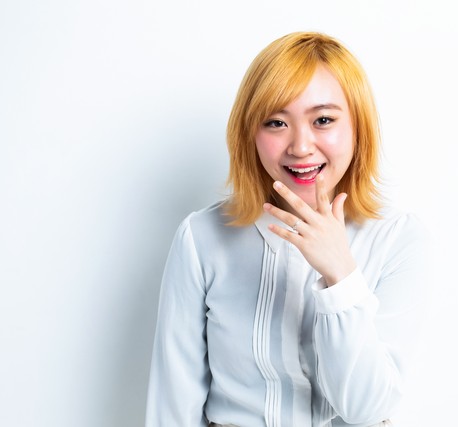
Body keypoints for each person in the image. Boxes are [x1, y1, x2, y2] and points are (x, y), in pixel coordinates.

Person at [145, 31, 428, 427]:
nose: (300, 146)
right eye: (276, 122)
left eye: (323, 120)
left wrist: (340, 275)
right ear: (250, 133)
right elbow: (173, 404)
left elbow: (366, 409)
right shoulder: (203, 237)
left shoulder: (397, 238)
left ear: (357, 127)